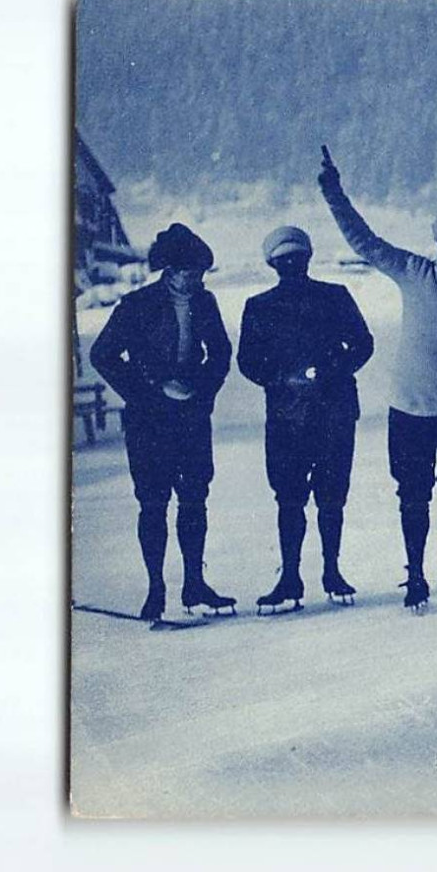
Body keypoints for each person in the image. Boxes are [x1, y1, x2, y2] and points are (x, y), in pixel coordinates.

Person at [318, 146, 437, 610]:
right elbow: (364, 242)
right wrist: (333, 192)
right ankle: (418, 573)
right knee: (414, 496)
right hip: (410, 409)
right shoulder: (414, 272)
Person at [89, 223, 235, 620]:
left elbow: (221, 353)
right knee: (153, 505)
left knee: (194, 500)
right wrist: (147, 392)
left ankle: (194, 584)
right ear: (169, 271)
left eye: (201, 275)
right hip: (148, 423)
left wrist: (200, 390)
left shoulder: (206, 303)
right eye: (190, 274)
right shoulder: (136, 306)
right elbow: (102, 355)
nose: (196, 281)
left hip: (191, 419)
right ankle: (156, 589)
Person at [237, 225, 375, 612]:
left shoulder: (336, 296)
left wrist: (330, 370)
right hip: (287, 417)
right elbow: (248, 361)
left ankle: (331, 570)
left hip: (331, 414)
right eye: (284, 261)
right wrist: (285, 378)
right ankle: (291, 576)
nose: (292, 265)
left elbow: (363, 344)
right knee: (290, 498)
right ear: (273, 265)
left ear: (308, 259)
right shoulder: (258, 307)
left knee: (331, 498)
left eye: (297, 258)